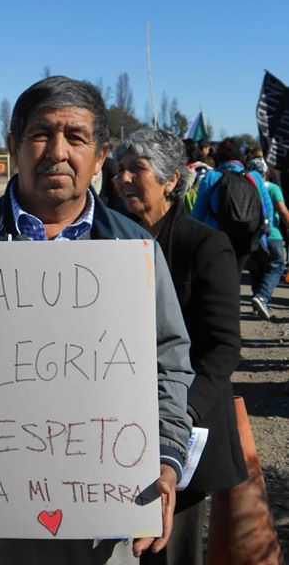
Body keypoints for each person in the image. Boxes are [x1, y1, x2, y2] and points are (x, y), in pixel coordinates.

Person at [0, 76, 194, 564]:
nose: (57, 151)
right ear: (13, 146)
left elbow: (170, 362)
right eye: (41, 134)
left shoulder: (133, 251)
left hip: (105, 525)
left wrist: (165, 459)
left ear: (100, 156)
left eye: (75, 137)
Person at [115, 129, 247, 565]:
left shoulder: (206, 246)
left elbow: (223, 348)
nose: (124, 179)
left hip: (185, 426)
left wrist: (177, 414)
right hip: (112, 428)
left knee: (170, 550)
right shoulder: (104, 244)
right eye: (121, 170)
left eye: (138, 169)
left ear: (172, 179)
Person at [192, 136, 273, 275]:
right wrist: (266, 232)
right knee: (236, 275)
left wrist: (194, 237)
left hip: (217, 236)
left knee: (219, 277)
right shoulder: (254, 177)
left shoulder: (212, 177)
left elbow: (199, 211)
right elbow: (267, 207)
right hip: (247, 236)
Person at [246, 157, 289, 320]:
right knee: (276, 266)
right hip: (272, 235)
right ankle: (262, 297)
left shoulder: (245, 187)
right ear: (265, 172)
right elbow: (283, 211)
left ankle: (258, 304)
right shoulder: (272, 188)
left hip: (251, 235)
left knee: (256, 269)